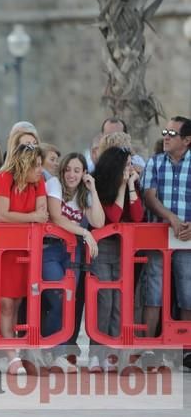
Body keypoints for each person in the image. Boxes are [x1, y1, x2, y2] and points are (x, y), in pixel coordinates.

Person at [0, 143, 47, 375]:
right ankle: (11, 355)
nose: (41, 169)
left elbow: (43, 215)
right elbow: (3, 214)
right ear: (24, 164)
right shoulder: (4, 178)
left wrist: (26, 217)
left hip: (23, 249)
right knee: (4, 303)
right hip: (2, 249)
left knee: (16, 302)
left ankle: (7, 349)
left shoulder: (39, 182)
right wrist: (31, 216)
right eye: (36, 164)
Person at [44, 152, 105, 373]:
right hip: (50, 248)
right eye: (68, 169)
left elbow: (98, 221)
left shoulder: (84, 193)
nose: (71, 174)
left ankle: (57, 352)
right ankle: (49, 346)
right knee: (58, 296)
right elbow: (57, 217)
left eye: (77, 170)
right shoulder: (54, 184)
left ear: (83, 174)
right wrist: (85, 233)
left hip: (74, 252)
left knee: (69, 300)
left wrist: (93, 189)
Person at [88, 146, 144, 372]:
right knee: (105, 301)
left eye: (131, 164)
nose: (130, 168)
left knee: (120, 303)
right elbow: (112, 216)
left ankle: (112, 354)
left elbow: (138, 216)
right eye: (127, 163)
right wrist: (121, 186)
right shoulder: (99, 184)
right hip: (103, 247)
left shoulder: (131, 183)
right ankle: (96, 353)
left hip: (125, 249)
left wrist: (130, 185)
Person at [142, 117, 191, 365]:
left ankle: (185, 349)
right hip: (157, 235)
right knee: (154, 290)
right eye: (165, 132)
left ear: (187, 140)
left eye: (173, 132)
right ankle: (149, 347)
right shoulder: (155, 162)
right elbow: (149, 197)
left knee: (187, 292)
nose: (166, 136)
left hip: (187, 240)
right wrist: (171, 217)